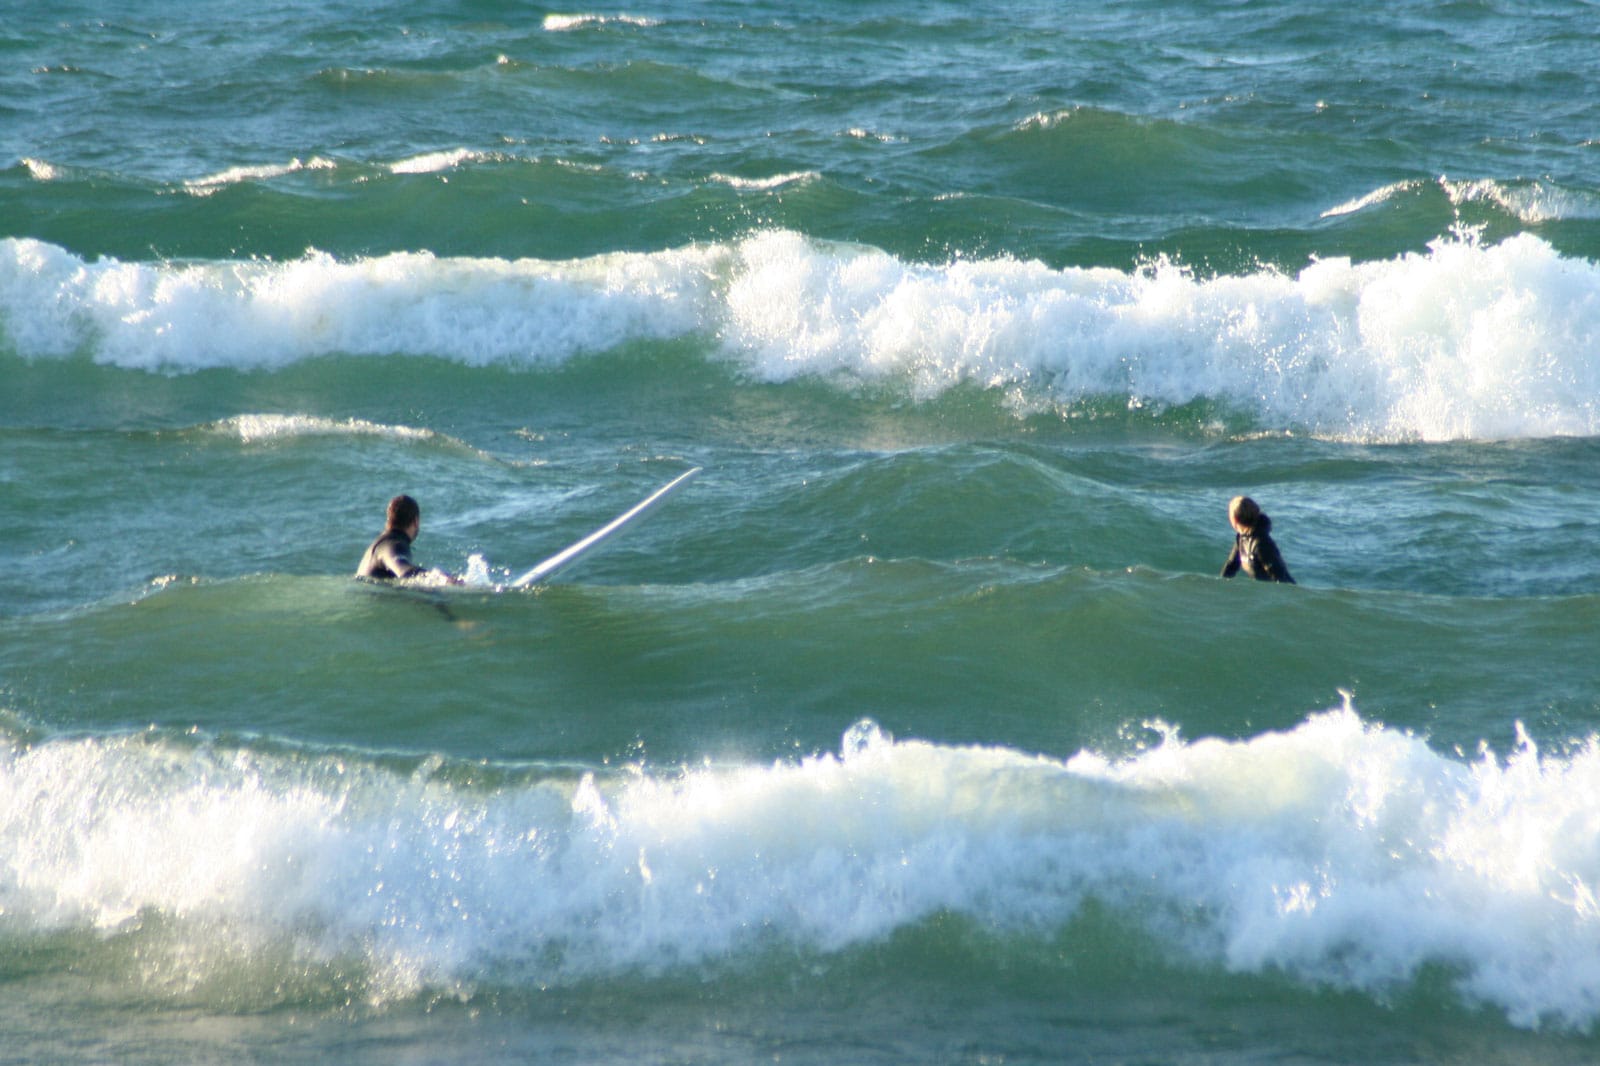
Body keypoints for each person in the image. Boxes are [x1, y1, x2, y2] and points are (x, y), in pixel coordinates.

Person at [356, 494, 462, 584]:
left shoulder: (381, 543)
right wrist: (441, 578)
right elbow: (404, 571)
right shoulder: (393, 544)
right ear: (416, 521)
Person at [1221, 495, 1294, 584]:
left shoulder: (1261, 543)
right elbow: (1230, 567)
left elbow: (1280, 578)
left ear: (1235, 519)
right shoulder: (1241, 538)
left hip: (1275, 593)